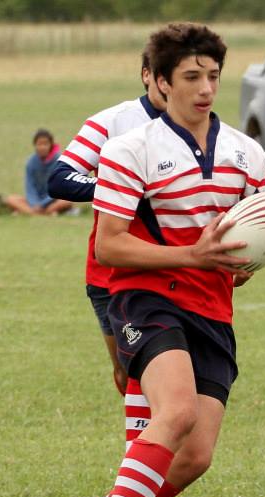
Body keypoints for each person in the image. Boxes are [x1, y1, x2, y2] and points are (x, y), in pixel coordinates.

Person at [39, 23, 265, 497]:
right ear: (158, 81)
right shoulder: (132, 147)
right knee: (174, 411)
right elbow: (108, 246)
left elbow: (254, 233)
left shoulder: (245, 151)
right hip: (145, 297)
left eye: (213, 76)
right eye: (190, 77)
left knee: (195, 459)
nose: (205, 88)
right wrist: (192, 253)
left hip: (212, 307)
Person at [46, 50, 166, 460]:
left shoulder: (205, 131)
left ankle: (143, 462)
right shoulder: (112, 122)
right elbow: (59, 178)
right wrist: (121, 189)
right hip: (109, 273)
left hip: (175, 271)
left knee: (153, 367)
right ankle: (146, 457)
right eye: (165, 74)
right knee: (126, 369)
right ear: (148, 76)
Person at [4, 129, 74, 216]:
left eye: (45, 144)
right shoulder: (30, 162)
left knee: (67, 201)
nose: (42, 147)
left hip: (53, 199)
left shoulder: (59, 161)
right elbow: (29, 186)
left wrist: (42, 204)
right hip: (34, 201)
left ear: (50, 145)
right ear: (35, 145)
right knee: (10, 199)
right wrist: (35, 204)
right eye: (39, 144)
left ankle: (30, 213)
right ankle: (45, 213)